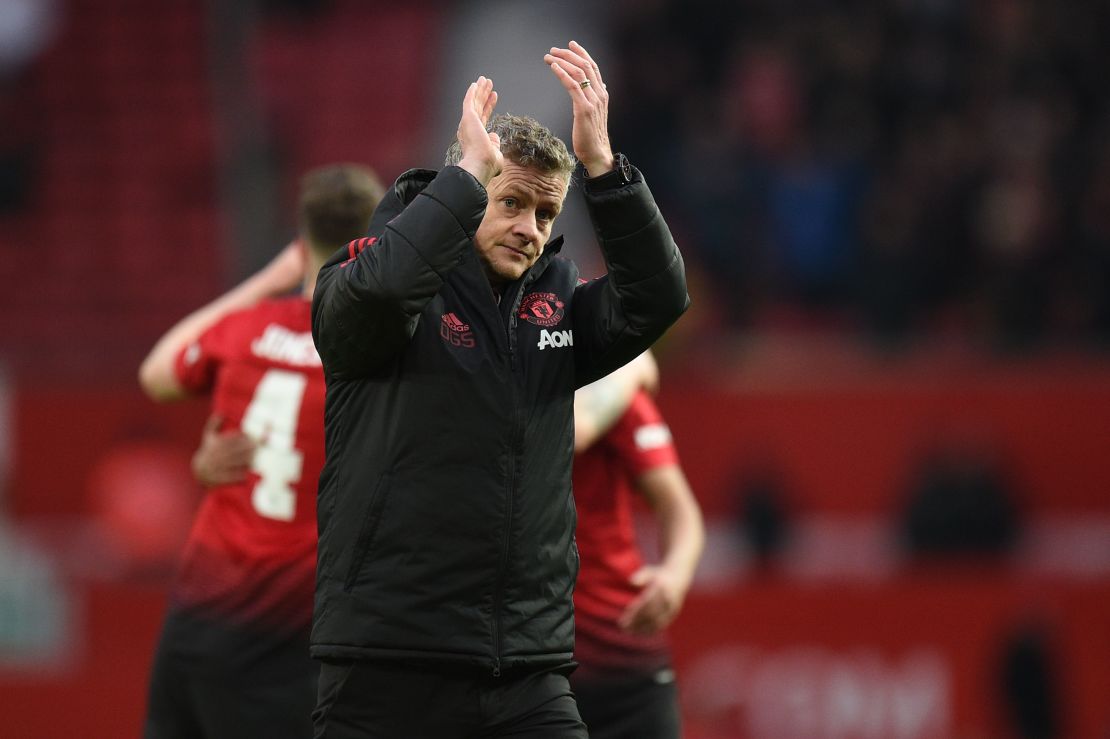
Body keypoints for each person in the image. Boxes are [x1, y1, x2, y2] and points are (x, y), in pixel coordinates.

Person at [309, 41, 689, 738]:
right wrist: (461, 183)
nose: (530, 230)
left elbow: (659, 298)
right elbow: (376, 299)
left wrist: (605, 168)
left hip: (526, 671)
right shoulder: (373, 272)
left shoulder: (559, 306)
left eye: (545, 215)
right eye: (510, 202)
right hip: (386, 666)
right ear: (469, 188)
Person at [136, 164, 384, 739]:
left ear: (300, 243)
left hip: (195, 622)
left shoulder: (246, 328)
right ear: (374, 246)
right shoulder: (377, 356)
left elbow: (155, 374)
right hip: (289, 637)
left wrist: (269, 278)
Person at [571, 352, 705, 739]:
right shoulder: (490, 387)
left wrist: (674, 577)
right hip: (526, 659)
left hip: (621, 649)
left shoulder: (622, 400)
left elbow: (680, 510)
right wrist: (632, 368)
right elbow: (576, 427)